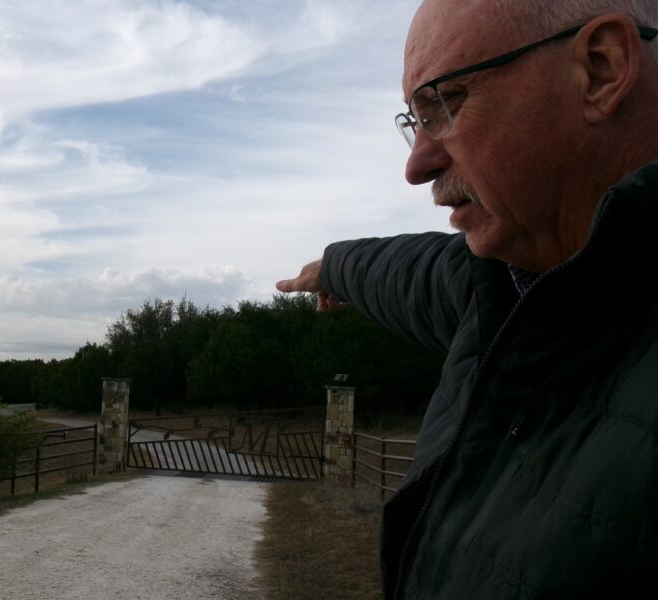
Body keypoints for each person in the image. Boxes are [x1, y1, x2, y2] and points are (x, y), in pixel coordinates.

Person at [276, 0, 658, 598]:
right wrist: (334, 268)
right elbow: (407, 271)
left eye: (444, 103)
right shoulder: (507, 280)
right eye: (415, 119)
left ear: (602, 69)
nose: (417, 164)